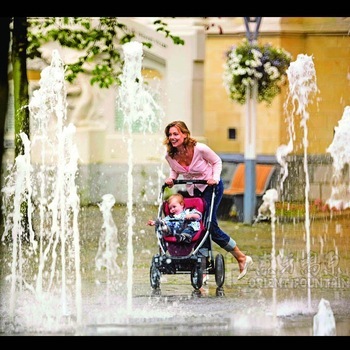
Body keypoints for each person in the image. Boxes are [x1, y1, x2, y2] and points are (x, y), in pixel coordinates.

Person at [162, 120, 253, 280]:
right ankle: (202, 265)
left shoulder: (200, 149)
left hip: (211, 188)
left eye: (176, 134)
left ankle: (241, 257)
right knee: (197, 225)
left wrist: (215, 178)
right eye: (170, 135)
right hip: (194, 190)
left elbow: (217, 161)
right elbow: (175, 169)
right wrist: (171, 178)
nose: (172, 137)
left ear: (185, 134)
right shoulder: (170, 155)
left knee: (209, 225)